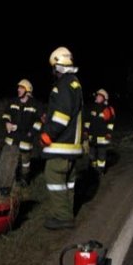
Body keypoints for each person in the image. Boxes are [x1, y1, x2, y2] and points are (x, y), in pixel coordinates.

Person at [40, 47, 84, 230]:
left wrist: (48, 134)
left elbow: (62, 116)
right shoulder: (74, 83)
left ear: (57, 66)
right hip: (72, 146)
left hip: (60, 145)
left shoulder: (63, 85)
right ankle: (65, 212)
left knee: (54, 178)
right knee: (68, 182)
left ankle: (63, 217)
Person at [1, 79, 43, 184]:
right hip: (12, 138)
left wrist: (31, 133)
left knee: (25, 162)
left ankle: (24, 181)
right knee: (10, 160)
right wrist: (6, 123)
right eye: (18, 87)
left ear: (27, 90)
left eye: (21, 88)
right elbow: (6, 114)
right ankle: (10, 181)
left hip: (25, 139)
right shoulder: (13, 102)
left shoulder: (35, 105)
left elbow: (39, 122)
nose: (18, 90)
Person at [83, 88, 116, 177]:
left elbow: (110, 123)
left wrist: (109, 133)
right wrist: (85, 131)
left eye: (99, 96)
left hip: (102, 138)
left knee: (101, 156)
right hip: (92, 137)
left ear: (104, 98)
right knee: (92, 156)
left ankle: (100, 172)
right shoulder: (93, 108)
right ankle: (93, 171)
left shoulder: (107, 109)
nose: (97, 97)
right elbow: (88, 121)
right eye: (97, 96)